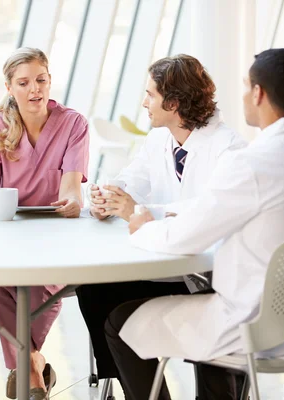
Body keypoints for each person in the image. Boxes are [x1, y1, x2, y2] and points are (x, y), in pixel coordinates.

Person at [104, 48, 284, 400]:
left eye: (247, 86)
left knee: (119, 322)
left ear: (259, 93)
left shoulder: (252, 163)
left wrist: (142, 224)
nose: (244, 95)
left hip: (253, 325)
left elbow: (187, 236)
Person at [76, 54, 246, 391]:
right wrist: (108, 199)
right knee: (93, 287)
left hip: (207, 277)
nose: (144, 102)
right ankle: (137, 390)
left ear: (173, 102)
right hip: (168, 265)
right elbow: (132, 180)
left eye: (150, 95)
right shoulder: (160, 139)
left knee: (113, 304)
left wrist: (140, 211)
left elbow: (207, 212)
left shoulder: (229, 148)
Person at [0, 47, 89, 400]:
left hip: (56, 237)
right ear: (9, 87)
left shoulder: (73, 124)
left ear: (50, 81)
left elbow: (72, 189)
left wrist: (71, 203)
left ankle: (27, 372)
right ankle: (33, 363)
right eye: (24, 82)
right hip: (7, 237)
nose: (34, 89)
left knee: (42, 289)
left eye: (41, 80)